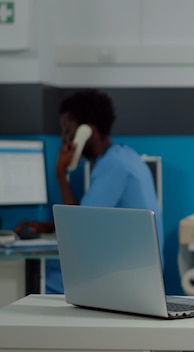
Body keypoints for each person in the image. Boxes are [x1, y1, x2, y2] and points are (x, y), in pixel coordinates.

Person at [14, 89, 163, 294]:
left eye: (67, 131)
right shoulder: (125, 156)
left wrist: (60, 172)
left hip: (126, 281)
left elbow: (78, 231)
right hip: (139, 274)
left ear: (87, 132)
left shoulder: (113, 166)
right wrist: (49, 226)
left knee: (32, 279)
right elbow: (89, 219)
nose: (62, 138)